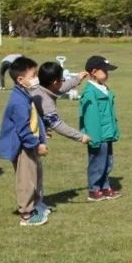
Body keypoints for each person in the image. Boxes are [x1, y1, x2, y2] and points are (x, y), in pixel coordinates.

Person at [30, 61, 89, 211]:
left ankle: (38, 203)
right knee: (33, 174)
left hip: (36, 136)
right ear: (54, 81)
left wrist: (77, 79)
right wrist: (80, 136)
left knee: (37, 172)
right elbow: (57, 125)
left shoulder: (42, 88)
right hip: (31, 140)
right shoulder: (45, 101)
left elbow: (60, 89)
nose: (63, 82)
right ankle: (33, 206)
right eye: (61, 79)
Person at [0, 56, 49, 226]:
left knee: (36, 175)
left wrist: (42, 135)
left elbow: (35, 119)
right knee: (26, 180)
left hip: (31, 144)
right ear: (20, 80)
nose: (36, 78)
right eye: (33, 75)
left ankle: (36, 205)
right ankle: (26, 214)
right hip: (23, 148)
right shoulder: (18, 101)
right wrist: (36, 145)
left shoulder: (26, 95)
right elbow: (23, 129)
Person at [79, 55, 122, 200]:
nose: (107, 74)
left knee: (107, 162)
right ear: (94, 71)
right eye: (105, 71)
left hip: (106, 133)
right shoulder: (90, 92)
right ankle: (94, 189)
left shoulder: (104, 88)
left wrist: (113, 131)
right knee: (97, 162)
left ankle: (104, 186)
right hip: (97, 135)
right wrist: (94, 137)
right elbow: (90, 118)